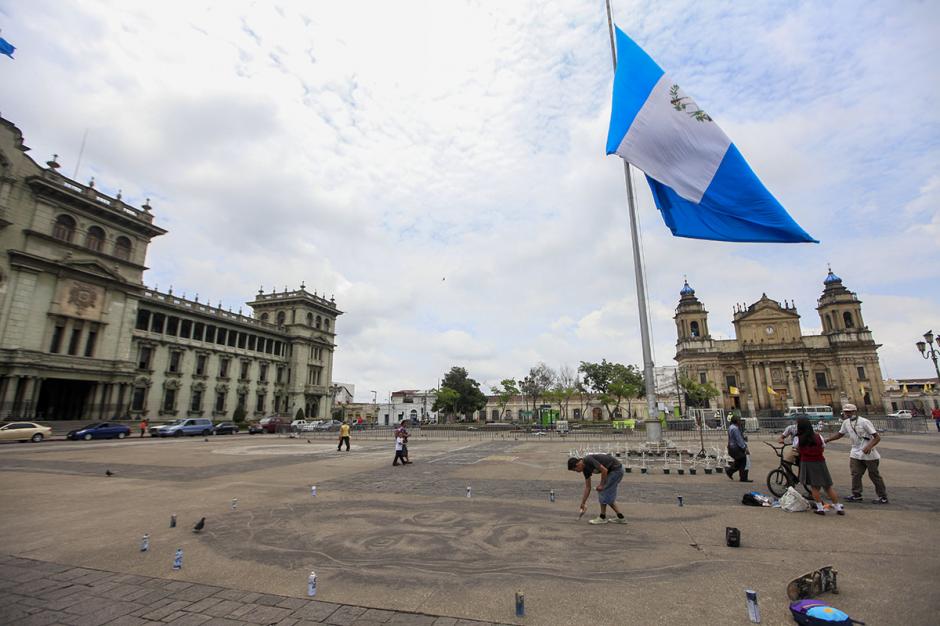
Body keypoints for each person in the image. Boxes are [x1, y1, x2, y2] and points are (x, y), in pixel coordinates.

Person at [825, 403, 888, 504]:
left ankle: (882, 496)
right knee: (855, 474)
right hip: (855, 452)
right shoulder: (846, 422)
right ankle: (856, 494)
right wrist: (827, 440)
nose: (848, 414)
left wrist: (869, 446)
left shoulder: (864, 422)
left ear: (855, 412)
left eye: (849, 412)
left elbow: (877, 437)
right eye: (846, 412)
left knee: (874, 475)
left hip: (869, 453)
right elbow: (840, 434)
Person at [793, 417, 844, 516]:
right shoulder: (818, 436)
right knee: (828, 486)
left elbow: (797, 450)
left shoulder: (798, 438)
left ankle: (820, 508)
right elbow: (822, 448)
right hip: (820, 462)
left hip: (807, 462)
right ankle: (838, 507)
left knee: (814, 487)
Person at [567, 454, 627, 525]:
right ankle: (621, 517)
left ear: (577, 464)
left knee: (603, 491)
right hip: (612, 471)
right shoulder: (585, 470)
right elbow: (588, 487)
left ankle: (602, 517)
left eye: (575, 470)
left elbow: (604, 470)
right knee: (606, 495)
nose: (576, 472)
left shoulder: (587, 459)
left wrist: (601, 485)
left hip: (616, 470)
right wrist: (583, 503)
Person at [725, 415, 752, 482]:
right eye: (739, 420)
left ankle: (730, 471)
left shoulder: (731, 427)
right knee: (743, 460)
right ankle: (742, 477)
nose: (740, 422)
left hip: (732, 447)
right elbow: (739, 440)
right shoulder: (735, 429)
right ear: (736, 421)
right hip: (736, 447)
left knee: (738, 461)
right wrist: (745, 448)